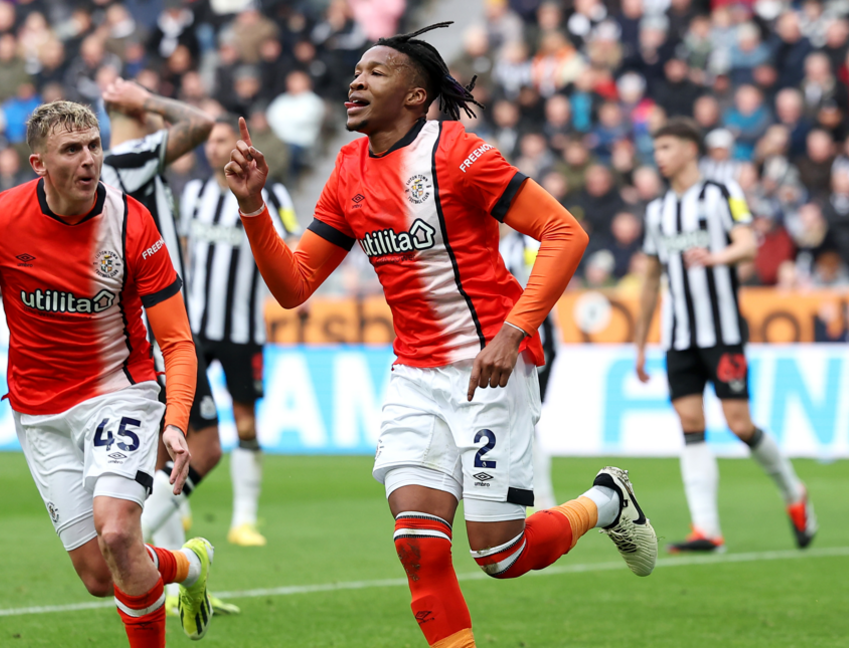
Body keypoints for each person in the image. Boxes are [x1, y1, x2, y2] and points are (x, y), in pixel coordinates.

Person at [224, 22, 657, 648]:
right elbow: (293, 286)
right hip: (415, 375)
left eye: (376, 72)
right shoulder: (347, 170)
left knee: (499, 554)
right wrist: (253, 208)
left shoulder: (458, 154)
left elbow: (566, 233)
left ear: (416, 96)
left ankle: (607, 501)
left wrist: (512, 333)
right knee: (418, 548)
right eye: (355, 71)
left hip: (489, 368)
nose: (355, 80)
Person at [0, 101, 216, 646]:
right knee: (102, 576)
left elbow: (176, 339)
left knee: (119, 532)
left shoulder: (131, 224)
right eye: (72, 150)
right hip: (40, 413)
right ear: (38, 164)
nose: (89, 160)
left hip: (119, 395)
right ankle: (188, 567)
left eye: (94, 146)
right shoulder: (0, 220)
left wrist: (175, 418)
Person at [633, 117, 817, 554]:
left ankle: (794, 493)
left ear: (689, 150)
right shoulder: (657, 210)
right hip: (678, 336)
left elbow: (748, 244)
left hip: (722, 331)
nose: (659, 157)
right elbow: (650, 279)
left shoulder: (722, 193)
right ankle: (707, 530)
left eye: (666, 148)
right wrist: (641, 343)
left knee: (739, 424)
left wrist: (716, 258)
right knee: (690, 423)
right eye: (656, 149)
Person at [100, 79, 240, 617]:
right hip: (160, 332)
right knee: (202, 449)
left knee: (164, 457)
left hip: (139, 330)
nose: (162, 128)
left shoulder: (120, 172)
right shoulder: (126, 159)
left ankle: (167, 572)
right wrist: (148, 97)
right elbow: (201, 124)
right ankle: (150, 555)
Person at [180, 115, 301, 548]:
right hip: (193, 328)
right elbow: (181, 250)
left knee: (245, 423)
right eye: (208, 141)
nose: (212, 148)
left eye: (220, 140)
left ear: (239, 144)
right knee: (176, 418)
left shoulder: (273, 193)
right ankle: (177, 506)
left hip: (243, 329)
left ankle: (244, 520)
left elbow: (291, 243)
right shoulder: (193, 194)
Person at [499, 228, 557, 510]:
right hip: (495, 348)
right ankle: (527, 499)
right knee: (509, 422)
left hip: (530, 345)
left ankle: (541, 501)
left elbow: (544, 291)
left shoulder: (528, 246)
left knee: (524, 422)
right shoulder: (478, 240)